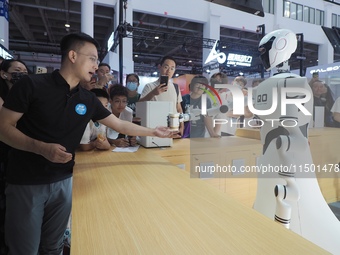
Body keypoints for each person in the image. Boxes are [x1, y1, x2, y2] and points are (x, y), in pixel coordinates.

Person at [0, 32, 172, 255]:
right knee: (25, 249)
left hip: (65, 180)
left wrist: (153, 131)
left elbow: (120, 125)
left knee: (54, 246)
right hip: (27, 182)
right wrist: (40, 147)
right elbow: (3, 129)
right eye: (92, 58)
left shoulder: (87, 99)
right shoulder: (32, 86)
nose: (96, 65)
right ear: (72, 55)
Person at [0, 59, 28, 255]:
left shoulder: (26, 95)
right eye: (17, 70)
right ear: (4, 74)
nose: (22, 74)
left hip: (18, 154)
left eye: (25, 71)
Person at [139, 55, 183, 137]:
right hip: (155, 128)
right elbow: (140, 104)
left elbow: (179, 108)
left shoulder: (176, 87)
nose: (169, 71)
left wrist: (182, 125)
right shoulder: (150, 86)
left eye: (172, 68)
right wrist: (153, 93)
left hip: (173, 129)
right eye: (166, 67)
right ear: (160, 67)